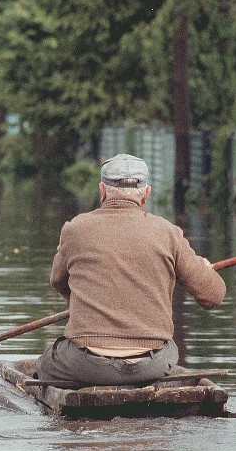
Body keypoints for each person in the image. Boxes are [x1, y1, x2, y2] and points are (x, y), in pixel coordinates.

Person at [36, 153, 226, 385]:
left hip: (87, 366)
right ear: (146, 194)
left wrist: (76, 301)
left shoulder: (75, 229)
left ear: (102, 191)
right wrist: (205, 270)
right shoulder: (168, 233)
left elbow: (57, 281)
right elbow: (213, 296)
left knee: (44, 363)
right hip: (151, 364)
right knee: (170, 349)